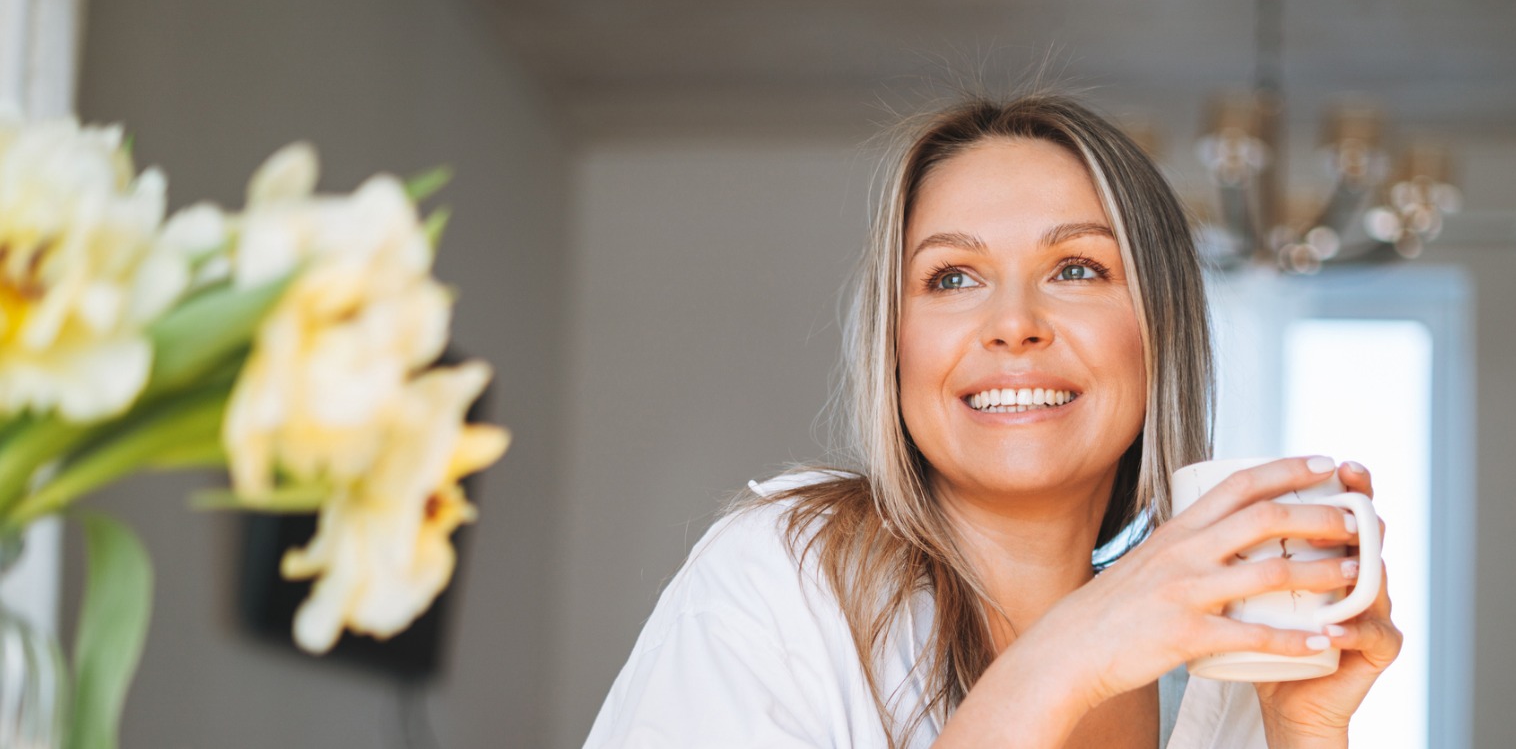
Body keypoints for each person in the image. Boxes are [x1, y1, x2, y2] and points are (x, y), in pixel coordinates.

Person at [583, 91, 1402, 748]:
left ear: (1160, 333)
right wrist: (1070, 655)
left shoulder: (1225, 673)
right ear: (895, 344)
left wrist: (1304, 732)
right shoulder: (778, 582)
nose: (1014, 322)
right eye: (952, 277)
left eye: (1076, 268)